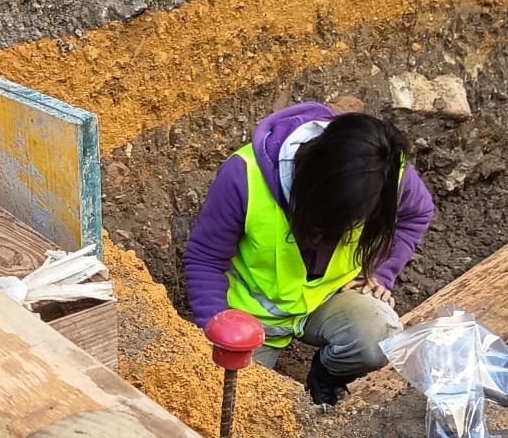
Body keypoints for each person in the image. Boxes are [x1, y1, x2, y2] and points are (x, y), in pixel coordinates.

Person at [182, 104, 434, 404]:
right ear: (311, 187)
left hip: (328, 298)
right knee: (240, 405)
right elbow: (205, 257)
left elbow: (416, 214)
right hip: (253, 319)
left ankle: (325, 378)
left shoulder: (385, 170)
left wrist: (379, 272)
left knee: (379, 335)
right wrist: (219, 326)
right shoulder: (244, 176)